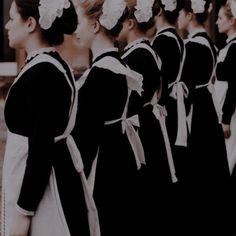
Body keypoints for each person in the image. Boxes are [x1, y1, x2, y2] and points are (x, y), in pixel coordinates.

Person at [1, 0, 94, 235]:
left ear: (31, 23)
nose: (7, 25)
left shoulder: (43, 73)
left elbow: (40, 150)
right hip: (50, 177)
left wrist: (24, 213)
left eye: (12, 18)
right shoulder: (49, 65)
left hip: (46, 192)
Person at [72, 0, 145, 235]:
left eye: (79, 22)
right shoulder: (116, 64)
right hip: (118, 155)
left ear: (95, 26)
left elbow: (85, 138)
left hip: (104, 167)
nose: (75, 29)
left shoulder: (100, 74)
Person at [117, 0, 177, 234]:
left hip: (144, 130)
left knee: (147, 192)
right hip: (148, 125)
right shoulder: (142, 51)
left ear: (130, 23)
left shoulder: (138, 56)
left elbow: (131, 102)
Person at [178, 0, 231, 235]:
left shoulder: (194, 46)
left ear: (189, 15)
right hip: (206, 107)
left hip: (197, 110)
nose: (177, 18)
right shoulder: (206, 42)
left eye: (180, 13)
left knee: (200, 168)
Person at [215, 1, 236, 234]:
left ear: (232, 21)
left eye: (221, 18)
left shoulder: (235, 48)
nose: (218, 21)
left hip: (230, 111)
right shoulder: (228, 46)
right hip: (222, 105)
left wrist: (226, 117)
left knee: (230, 156)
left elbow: (234, 86)